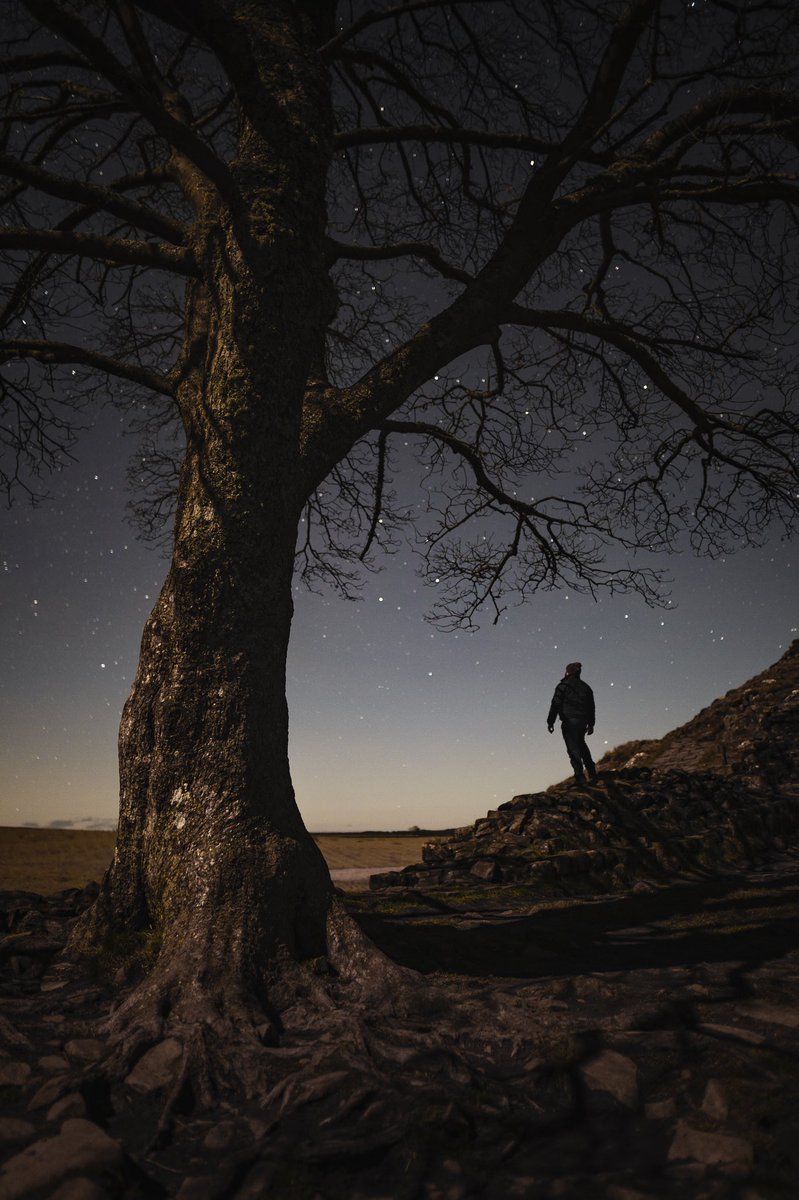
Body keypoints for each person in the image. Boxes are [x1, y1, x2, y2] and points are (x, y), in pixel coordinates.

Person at [547, 661, 597, 786]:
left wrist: (550, 721)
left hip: (569, 721)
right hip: (582, 721)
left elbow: (555, 704)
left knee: (573, 749)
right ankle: (592, 772)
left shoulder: (563, 686)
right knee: (582, 745)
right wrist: (591, 724)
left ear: (568, 672)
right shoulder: (586, 687)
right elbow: (591, 707)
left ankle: (580, 777)